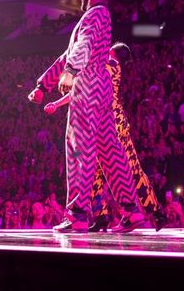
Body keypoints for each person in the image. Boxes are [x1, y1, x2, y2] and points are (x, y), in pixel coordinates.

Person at [28, 0, 143, 233]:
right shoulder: (97, 16)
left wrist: (70, 71)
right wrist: (43, 85)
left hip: (88, 83)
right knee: (110, 151)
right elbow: (68, 54)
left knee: (79, 149)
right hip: (99, 87)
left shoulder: (95, 14)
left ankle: (78, 214)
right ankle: (131, 211)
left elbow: (83, 45)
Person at [44, 42, 165, 231]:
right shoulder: (115, 67)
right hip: (113, 117)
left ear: (110, 52)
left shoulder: (107, 64)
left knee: (116, 168)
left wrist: (57, 102)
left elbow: (84, 91)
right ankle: (110, 215)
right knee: (109, 171)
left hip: (107, 118)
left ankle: (141, 212)